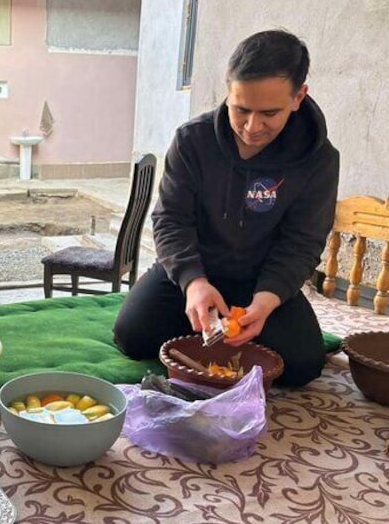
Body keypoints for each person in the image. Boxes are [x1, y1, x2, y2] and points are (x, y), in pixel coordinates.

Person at [113, 29, 339, 387]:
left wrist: (266, 302)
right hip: (196, 270)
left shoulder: (320, 160)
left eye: (269, 113)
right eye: (241, 109)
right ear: (228, 91)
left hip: (261, 280)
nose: (251, 126)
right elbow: (170, 220)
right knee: (132, 336)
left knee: (303, 365)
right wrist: (193, 282)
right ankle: (205, 323)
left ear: (298, 97)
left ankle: (226, 332)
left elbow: (303, 242)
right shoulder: (193, 140)